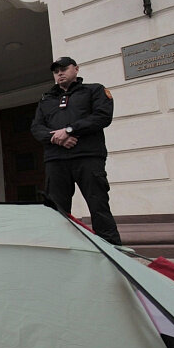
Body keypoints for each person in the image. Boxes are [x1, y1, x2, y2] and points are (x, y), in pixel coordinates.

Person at [30, 56, 122, 245]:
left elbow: (102, 116)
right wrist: (57, 138)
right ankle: (61, 247)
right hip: (56, 159)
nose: (60, 73)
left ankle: (113, 251)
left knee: (98, 205)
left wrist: (70, 130)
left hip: (87, 157)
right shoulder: (46, 99)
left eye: (63, 69)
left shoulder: (94, 90)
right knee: (56, 209)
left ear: (76, 69)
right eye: (56, 71)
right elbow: (36, 128)